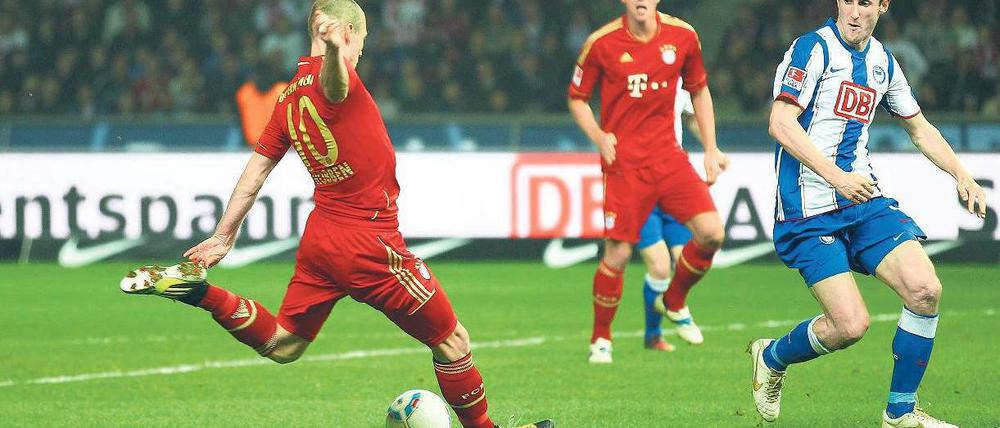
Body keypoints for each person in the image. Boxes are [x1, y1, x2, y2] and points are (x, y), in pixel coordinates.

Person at [118, 2, 552, 427]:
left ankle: (196, 291)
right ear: (345, 32)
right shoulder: (337, 79)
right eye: (360, 39)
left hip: (322, 238)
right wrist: (331, 51)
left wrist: (223, 236)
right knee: (453, 341)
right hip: (369, 242)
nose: (361, 49)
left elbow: (255, 172)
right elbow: (336, 84)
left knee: (283, 343)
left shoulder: (288, 99)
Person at [748, 1, 987, 427]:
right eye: (848, 0)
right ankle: (771, 357)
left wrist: (961, 173)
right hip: (808, 211)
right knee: (851, 325)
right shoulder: (812, 49)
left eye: (866, 2)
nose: (855, 11)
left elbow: (919, 127)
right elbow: (780, 124)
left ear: (883, 5)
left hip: (862, 202)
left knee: (925, 289)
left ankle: (900, 414)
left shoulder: (882, 62)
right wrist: (836, 176)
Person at [568, 0, 729, 364]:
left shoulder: (683, 36)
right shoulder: (602, 43)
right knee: (619, 253)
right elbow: (578, 98)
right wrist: (599, 135)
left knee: (712, 233)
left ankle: (673, 300)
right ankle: (601, 339)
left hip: (669, 158)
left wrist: (710, 148)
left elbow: (699, 90)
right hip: (624, 165)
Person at [638, 83, 701, 352]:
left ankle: (672, 302)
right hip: (639, 181)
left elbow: (691, 116)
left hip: (674, 180)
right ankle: (652, 335)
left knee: (687, 257)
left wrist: (712, 148)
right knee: (661, 266)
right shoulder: (634, 76)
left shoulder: (679, 78)